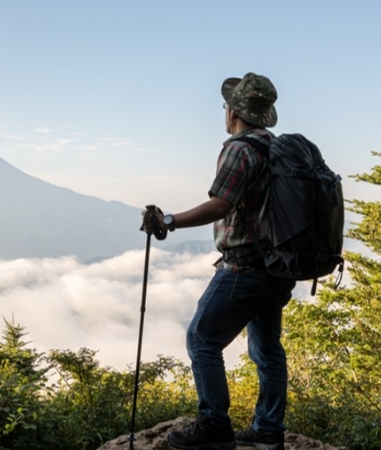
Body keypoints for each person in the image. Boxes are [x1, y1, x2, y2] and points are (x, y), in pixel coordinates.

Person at [142, 72, 295, 450]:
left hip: (245, 267)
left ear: (234, 112)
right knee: (267, 349)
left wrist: (169, 221)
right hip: (277, 267)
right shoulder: (275, 148)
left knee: (201, 338)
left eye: (227, 106)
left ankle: (213, 425)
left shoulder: (240, 149)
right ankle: (268, 430)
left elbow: (221, 204)